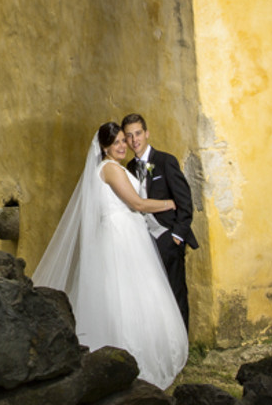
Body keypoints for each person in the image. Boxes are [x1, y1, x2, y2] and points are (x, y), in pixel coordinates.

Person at [32, 121, 188, 389]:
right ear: (104, 147)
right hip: (121, 236)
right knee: (125, 292)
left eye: (122, 141)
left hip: (129, 232)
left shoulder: (111, 168)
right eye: (115, 142)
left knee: (136, 291)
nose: (122, 146)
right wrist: (169, 203)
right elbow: (136, 203)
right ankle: (129, 355)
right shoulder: (110, 169)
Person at [122, 113, 197, 330]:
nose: (134, 140)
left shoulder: (165, 161)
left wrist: (176, 236)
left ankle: (183, 345)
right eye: (129, 136)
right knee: (153, 295)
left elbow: (184, 201)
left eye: (138, 133)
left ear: (146, 134)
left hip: (167, 237)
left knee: (175, 293)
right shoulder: (128, 168)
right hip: (143, 240)